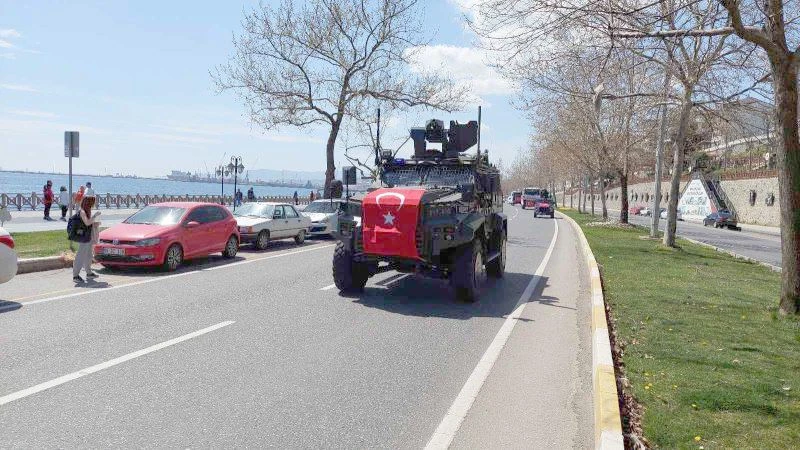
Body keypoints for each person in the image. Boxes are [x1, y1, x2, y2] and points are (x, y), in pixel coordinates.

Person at [73, 194, 101, 283]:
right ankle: (75, 275)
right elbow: (87, 223)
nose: (93, 204)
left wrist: (95, 223)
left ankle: (88, 273)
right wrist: (95, 216)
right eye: (92, 202)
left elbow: (89, 224)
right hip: (83, 237)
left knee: (88, 255)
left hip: (88, 236)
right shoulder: (82, 212)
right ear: (88, 203)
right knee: (80, 255)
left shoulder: (87, 211)